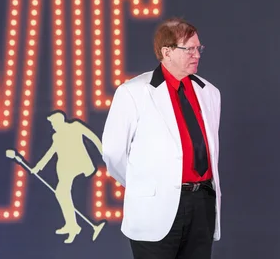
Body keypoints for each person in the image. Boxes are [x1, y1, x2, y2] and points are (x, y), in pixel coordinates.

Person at [102, 17, 222, 259]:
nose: (196, 54)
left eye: (199, 48)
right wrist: (145, 185)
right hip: (154, 209)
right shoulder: (133, 92)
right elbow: (113, 153)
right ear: (166, 52)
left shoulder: (209, 92)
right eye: (189, 49)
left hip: (202, 203)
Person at [31, 110, 103, 244]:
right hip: (65, 169)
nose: (52, 126)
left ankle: (73, 227)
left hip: (78, 166)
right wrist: (38, 166)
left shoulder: (75, 126)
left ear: (59, 121)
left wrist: (103, 152)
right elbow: (51, 152)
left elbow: (92, 136)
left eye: (53, 123)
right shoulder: (56, 137)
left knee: (62, 192)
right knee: (60, 193)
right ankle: (72, 225)